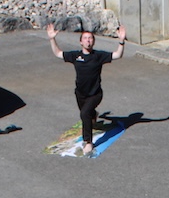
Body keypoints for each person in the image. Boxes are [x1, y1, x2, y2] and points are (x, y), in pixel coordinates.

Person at [46, 21, 127, 156]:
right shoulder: (75, 56)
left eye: (90, 38)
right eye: (85, 38)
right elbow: (58, 53)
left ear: (93, 42)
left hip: (95, 94)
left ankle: (88, 142)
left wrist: (121, 41)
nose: (88, 40)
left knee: (84, 114)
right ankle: (94, 115)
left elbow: (117, 55)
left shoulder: (98, 56)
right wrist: (52, 39)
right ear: (81, 42)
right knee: (87, 114)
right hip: (80, 94)